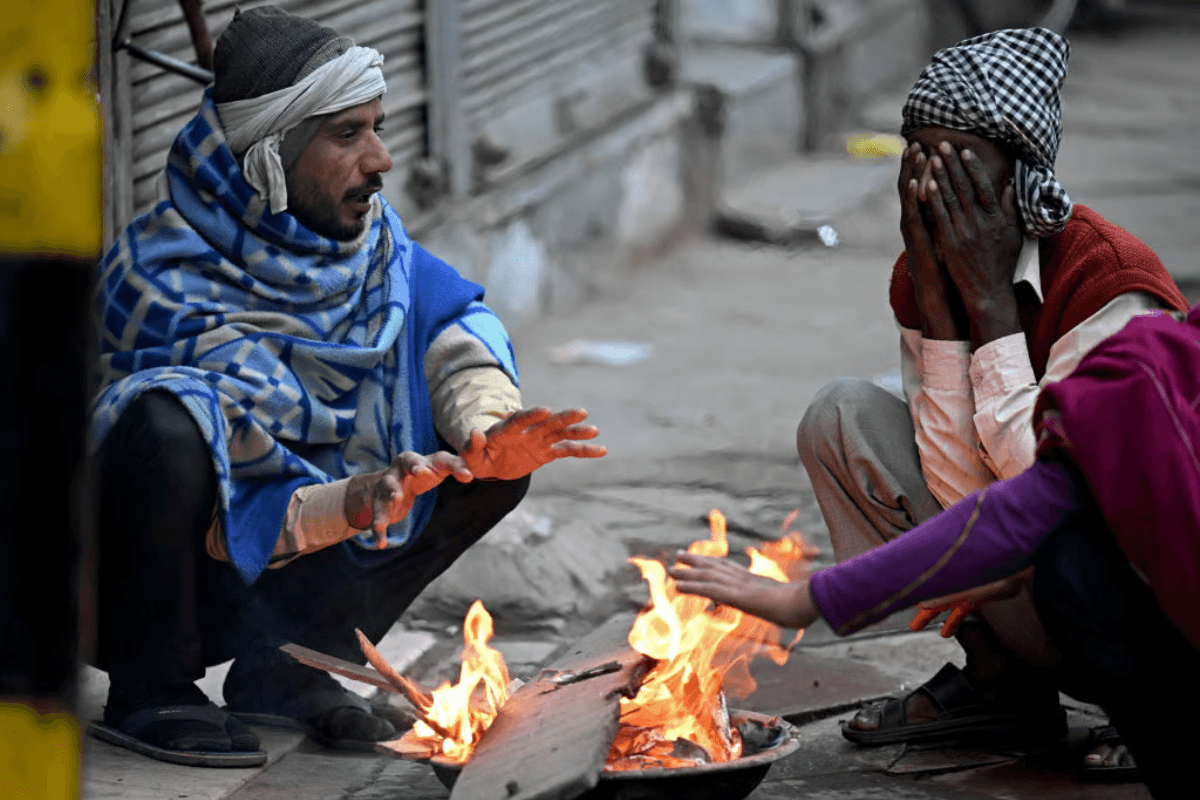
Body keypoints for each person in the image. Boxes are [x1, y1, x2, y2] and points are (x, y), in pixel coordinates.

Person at [87, 6, 605, 767]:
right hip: (131, 584)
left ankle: (287, 669)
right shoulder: (154, 279)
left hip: (284, 563)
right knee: (169, 421)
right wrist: (356, 501)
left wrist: (487, 427)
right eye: (347, 134)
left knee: (490, 467)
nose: (381, 158)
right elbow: (225, 484)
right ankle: (149, 688)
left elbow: (451, 330)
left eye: (378, 128)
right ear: (269, 158)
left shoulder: (373, 249)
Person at [794, 27, 1187, 779]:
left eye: (959, 171)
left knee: (1071, 532)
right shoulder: (925, 275)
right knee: (841, 417)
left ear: (1019, 180)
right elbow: (961, 495)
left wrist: (992, 310)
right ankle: (1002, 679)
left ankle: (1152, 704)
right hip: (1027, 581)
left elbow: (1052, 493)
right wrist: (946, 317)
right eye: (918, 162)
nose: (933, 193)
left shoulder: (1107, 282)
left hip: (1130, 583)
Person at [672, 303, 1200, 800]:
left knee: (1070, 566)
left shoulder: (1139, 353)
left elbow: (1022, 508)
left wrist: (805, 600)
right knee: (845, 413)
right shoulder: (926, 286)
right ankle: (1000, 684)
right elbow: (966, 477)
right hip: (1044, 583)